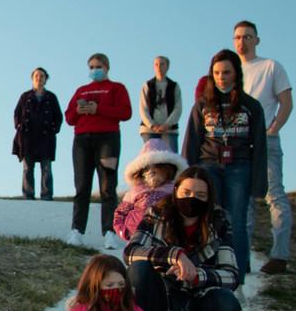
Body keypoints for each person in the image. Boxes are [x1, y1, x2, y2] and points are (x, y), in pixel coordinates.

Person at [125, 166, 243, 311]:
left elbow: (231, 274)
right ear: (176, 191)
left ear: (208, 198)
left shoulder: (219, 221)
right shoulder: (157, 213)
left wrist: (197, 275)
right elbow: (131, 252)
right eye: (186, 193)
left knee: (227, 302)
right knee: (139, 270)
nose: (192, 199)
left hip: (197, 304)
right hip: (161, 298)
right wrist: (174, 255)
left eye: (200, 195)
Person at [182, 49, 267, 286]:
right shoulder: (202, 105)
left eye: (226, 72)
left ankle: (236, 279)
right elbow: (192, 141)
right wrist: (185, 177)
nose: (222, 77)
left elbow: (260, 146)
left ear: (236, 74)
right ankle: (207, 272)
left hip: (239, 167)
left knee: (237, 222)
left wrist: (259, 184)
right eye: (217, 73)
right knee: (209, 219)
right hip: (209, 166)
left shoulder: (252, 106)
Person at [234, 20, 294, 275]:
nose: (242, 41)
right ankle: (242, 259)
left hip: (266, 141)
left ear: (256, 40)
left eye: (247, 36)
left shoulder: (271, 66)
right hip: (239, 141)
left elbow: (286, 102)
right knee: (244, 200)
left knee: (274, 195)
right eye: (238, 37)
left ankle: (279, 256)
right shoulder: (231, 72)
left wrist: (273, 129)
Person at [64, 53, 133, 250]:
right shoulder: (81, 90)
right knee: (82, 186)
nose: (95, 70)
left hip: (107, 140)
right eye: (91, 67)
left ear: (107, 67)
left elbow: (125, 112)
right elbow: (69, 117)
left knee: (107, 187)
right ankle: (76, 230)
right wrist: (80, 110)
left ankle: (110, 231)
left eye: (98, 66)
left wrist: (99, 108)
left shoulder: (117, 88)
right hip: (82, 141)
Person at [112, 138, 187, 242]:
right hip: (136, 238)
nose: (151, 172)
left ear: (167, 169)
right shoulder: (135, 191)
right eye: (147, 169)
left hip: (165, 239)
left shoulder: (174, 189)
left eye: (156, 168)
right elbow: (120, 213)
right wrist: (124, 231)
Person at [12, 67, 63, 200]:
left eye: (42, 76)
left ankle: (46, 195)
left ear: (46, 79)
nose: (39, 78)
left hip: (46, 136)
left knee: (46, 167)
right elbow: (17, 113)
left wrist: (54, 128)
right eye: (36, 76)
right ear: (32, 78)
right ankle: (28, 195)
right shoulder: (25, 96)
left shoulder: (51, 97)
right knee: (28, 167)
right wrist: (18, 126)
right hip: (28, 136)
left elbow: (58, 116)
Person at [138, 55, 183, 152]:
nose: (159, 67)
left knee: (171, 159)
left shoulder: (174, 86)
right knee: (150, 160)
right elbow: (143, 108)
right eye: (156, 64)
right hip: (149, 130)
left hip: (169, 130)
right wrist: (152, 125)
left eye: (162, 64)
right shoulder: (147, 85)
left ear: (167, 66)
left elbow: (178, 108)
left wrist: (167, 124)